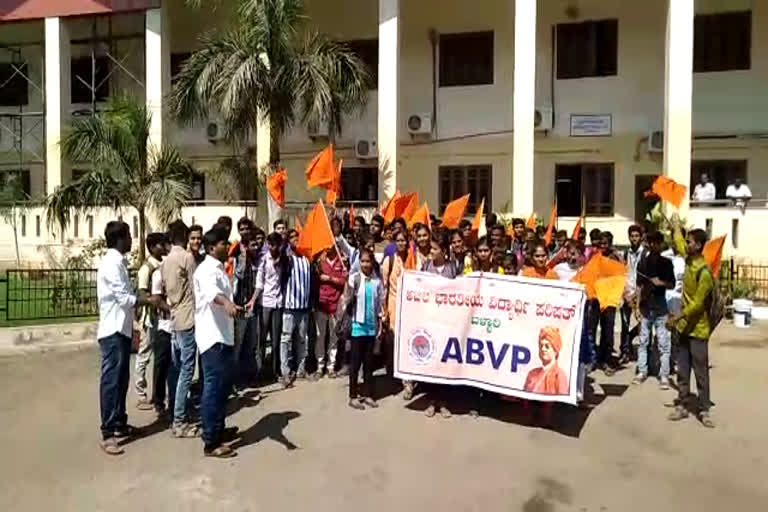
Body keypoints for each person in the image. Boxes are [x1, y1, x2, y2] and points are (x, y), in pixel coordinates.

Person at [97, 221, 153, 455]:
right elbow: (124, 298)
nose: (132, 240)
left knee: (121, 379)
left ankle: (119, 422)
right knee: (111, 381)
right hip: (112, 330)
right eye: (129, 236)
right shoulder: (111, 263)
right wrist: (149, 300)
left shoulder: (118, 262)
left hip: (122, 329)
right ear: (120, 239)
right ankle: (108, 432)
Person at [194, 228, 242, 458]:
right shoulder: (205, 270)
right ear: (212, 247)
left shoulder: (220, 268)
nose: (229, 246)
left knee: (222, 387)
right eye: (225, 243)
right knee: (213, 388)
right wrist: (227, 304)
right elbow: (214, 294)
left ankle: (219, 429)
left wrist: (234, 306)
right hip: (212, 337)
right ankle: (211, 441)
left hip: (224, 334)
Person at [667, 220, 715, 428]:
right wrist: (676, 226)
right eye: (686, 242)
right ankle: (683, 405)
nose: (685, 245)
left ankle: (704, 409)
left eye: (689, 242)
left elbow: (697, 304)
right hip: (684, 328)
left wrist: (678, 317)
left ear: (698, 245)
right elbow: (677, 242)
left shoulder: (704, 273)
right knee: (683, 369)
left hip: (698, 329)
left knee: (701, 371)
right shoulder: (688, 261)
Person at [163, 220, 201, 439]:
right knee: (186, 370)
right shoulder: (187, 258)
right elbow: (196, 290)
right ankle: (179, 419)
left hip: (175, 316)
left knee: (178, 368)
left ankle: (178, 410)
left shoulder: (166, 260)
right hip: (188, 317)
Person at [339, 249, 385, 410]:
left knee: (368, 363)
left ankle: (368, 394)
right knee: (355, 363)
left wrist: (380, 324)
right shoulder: (354, 279)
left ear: (372, 263)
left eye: (368, 261)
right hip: (357, 327)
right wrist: (347, 292)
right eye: (363, 261)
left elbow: (380, 305)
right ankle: (353, 396)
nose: (365, 264)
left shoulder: (377, 281)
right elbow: (346, 300)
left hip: (371, 328)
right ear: (359, 262)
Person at [420, 232, 458, 417]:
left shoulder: (453, 268)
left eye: (434, 249)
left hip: (447, 322)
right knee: (431, 361)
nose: (431, 252)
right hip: (430, 320)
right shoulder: (426, 267)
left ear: (443, 251)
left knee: (444, 363)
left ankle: (443, 402)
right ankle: (431, 401)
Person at [634, 231, 675, 388]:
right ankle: (642, 371)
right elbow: (639, 286)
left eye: (656, 243)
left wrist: (661, 283)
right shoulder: (643, 262)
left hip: (660, 306)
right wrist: (637, 306)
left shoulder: (666, 263)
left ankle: (663, 375)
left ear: (661, 244)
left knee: (663, 343)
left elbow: (672, 284)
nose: (653, 245)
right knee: (643, 341)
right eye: (650, 242)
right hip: (645, 306)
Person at [134, 232, 167, 410]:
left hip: (161, 317)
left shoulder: (162, 263)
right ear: (153, 247)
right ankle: (140, 392)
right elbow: (141, 293)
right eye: (161, 244)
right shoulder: (147, 268)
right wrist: (153, 301)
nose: (164, 247)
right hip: (150, 317)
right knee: (144, 353)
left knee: (160, 355)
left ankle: (157, 393)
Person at [279, 229, 311, 387]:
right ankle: (285, 372)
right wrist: (284, 242)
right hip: (290, 306)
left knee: (301, 339)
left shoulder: (306, 259)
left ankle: (301, 369)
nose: (296, 239)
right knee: (286, 339)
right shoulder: (288, 258)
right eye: (292, 237)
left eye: (297, 236)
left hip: (304, 306)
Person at [149, 243, 176, 419]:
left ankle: (175, 402)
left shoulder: (178, 273)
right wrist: (173, 310)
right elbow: (157, 300)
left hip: (178, 326)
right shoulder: (158, 274)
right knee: (161, 365)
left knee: (176, 366)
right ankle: (158, 401)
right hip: (164, 325)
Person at [314, 245, 348, 379]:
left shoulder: (342, 262)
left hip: (336, 305)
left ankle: (331, 366)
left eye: (330, 245)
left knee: (334, 337)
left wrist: (330, 279)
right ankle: (319, 366)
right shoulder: (319, 263)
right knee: (320, 336)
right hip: (322, 304)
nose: (328, 247)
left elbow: (344, 281)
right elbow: (315, 280)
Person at [381, 229, 410, 389]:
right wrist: (384, 310)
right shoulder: (389, 261)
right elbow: (384, 288)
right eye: (398, 240)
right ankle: (394, 375)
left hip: (410, 307)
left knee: (407, 342)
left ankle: (407, 378)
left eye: (404, 240)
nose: (401, 243)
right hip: (393, 305)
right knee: (394, 342)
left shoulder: (414, 260)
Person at [232, 234, 260, 391]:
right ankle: (235, 381)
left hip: (252, 308)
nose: (255, 248)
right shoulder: (238, 260)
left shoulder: (257, 262)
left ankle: (250, 377)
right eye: (252, 245)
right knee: (238, 346)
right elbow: (239, 275)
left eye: (257, 245)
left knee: (251, 346)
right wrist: (242, 256)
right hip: (240, 308)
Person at [254, 232, 284, 381]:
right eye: (270, 244)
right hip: (265, 302)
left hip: (278, 302)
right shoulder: (264, 260)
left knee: (276, 339)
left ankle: (275, 371)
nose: (272, 247)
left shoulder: (284, 259)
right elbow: (259, 283)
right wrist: (254, 300)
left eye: (275, 245)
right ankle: (259, 371)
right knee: (262, 339)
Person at [620, 224, 647, 365]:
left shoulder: (645, 253)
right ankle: (625, 351)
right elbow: (623, 272)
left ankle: (644, 355)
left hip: (640, 292)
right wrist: (626, 293)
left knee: (643, 323)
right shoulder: (626, 253)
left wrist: (638, 296)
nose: (634, 239)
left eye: (637, 236)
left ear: (641, 237)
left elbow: (646, 277)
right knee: (625, 323)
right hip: (626, 292)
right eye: (632, 236)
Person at [596, 231, 621, 375]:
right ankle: (595, 359)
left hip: (609, 299)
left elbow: (621, 275)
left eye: (605, 243)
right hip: (596, 298)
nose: (602, 246)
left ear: (610, 244)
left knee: (608, 330)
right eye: (600, 244)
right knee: (592, 330)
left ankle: (607, 360)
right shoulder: (595, 257)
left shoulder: (615, 258)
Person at [523, 327, 569, 395]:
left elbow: (562, 401)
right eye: (541, 346)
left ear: (555, 350)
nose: (543, 349)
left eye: (547, 346)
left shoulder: (559, 375)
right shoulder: (532, 374)